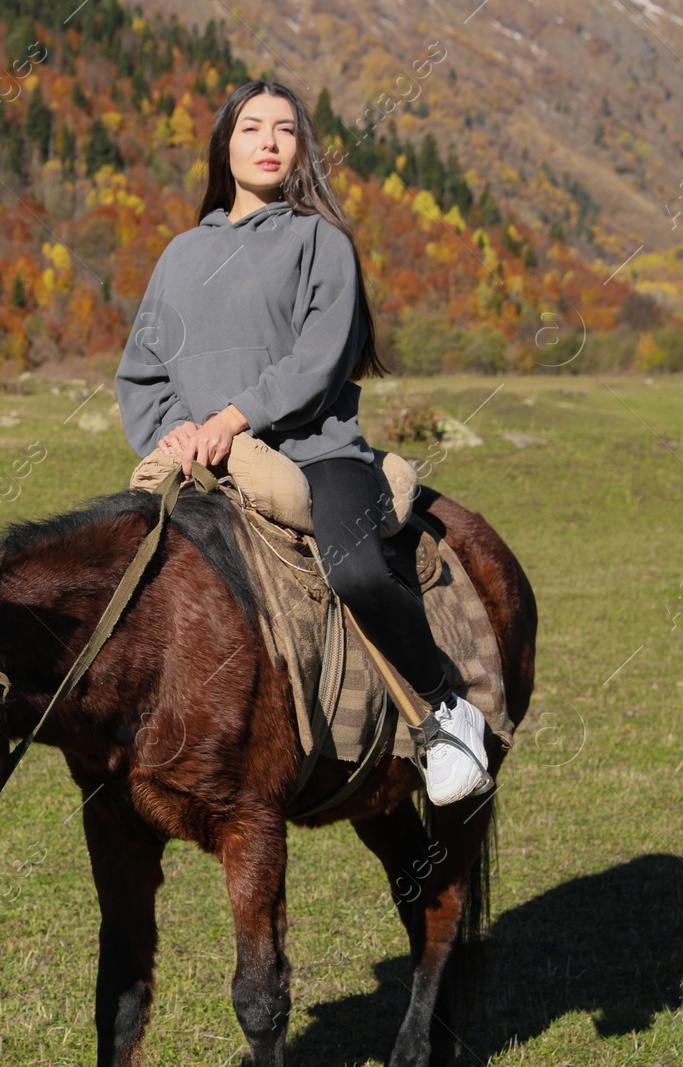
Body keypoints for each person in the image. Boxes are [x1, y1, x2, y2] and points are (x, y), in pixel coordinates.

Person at [114, 80, 491, 806]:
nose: (267, 140)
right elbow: (144, 367)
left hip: (320, 455)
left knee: (355, 569)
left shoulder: (321, 241)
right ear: (225, 143)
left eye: (284, 130)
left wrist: (234, 415)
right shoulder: (181, 254)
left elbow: (318, 359)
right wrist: (177, 427)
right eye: (251, 126)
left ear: (300, 150)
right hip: (204, 469)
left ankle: (445, 711)